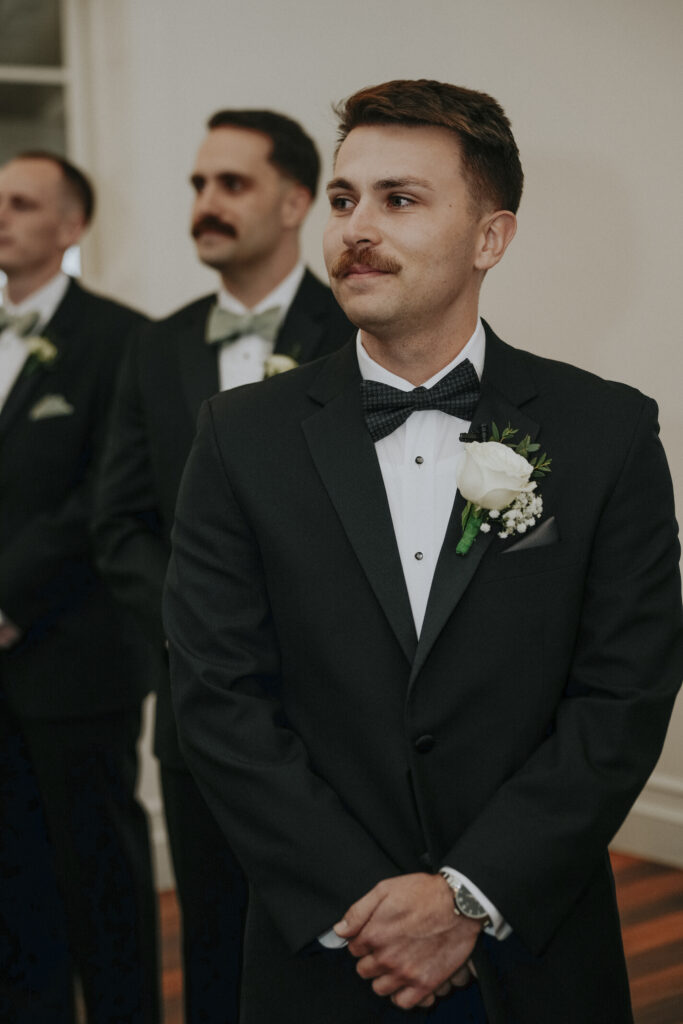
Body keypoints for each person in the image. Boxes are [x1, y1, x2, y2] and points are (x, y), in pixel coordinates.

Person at [162, 80, 683, 1024]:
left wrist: (468, 895)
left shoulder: (604, 430)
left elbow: (625, 692)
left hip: (533, 941)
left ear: (491, 237)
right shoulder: (239, 435)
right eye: (343, 199)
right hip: (323, 947)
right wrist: (364, 906)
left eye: (399, 200)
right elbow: (218, 693)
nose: (356, 227)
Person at [94, 109, 352, 1023]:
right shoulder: (154, 347)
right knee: (210, 938)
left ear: (293, 202)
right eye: (198, 185)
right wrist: (197, 626)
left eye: (230, 184)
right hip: (194, 705)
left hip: (336, 708)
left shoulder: (356, 327)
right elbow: (117, 522)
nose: (205, 203)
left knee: (336, 936)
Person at [0, 152, 159, 1023]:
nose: (2, 217)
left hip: (76, 650)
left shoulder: (124, 338)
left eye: (22, 203)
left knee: (100, 867)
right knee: (11, 870)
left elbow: (105, 494)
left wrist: (10, 600)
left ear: (71, 227)